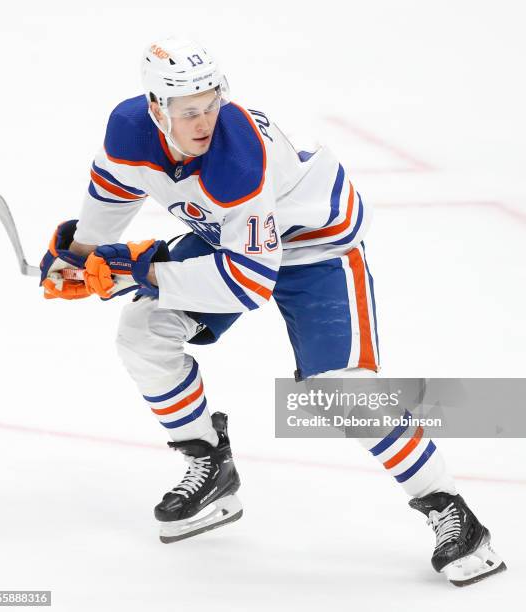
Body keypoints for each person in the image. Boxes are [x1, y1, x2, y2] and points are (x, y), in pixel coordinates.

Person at [39, 37, 505, 586]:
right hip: (234, 239)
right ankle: (210, 464)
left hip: (315, 247)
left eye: (211, 103)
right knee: (142, 332)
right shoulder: (129, 130)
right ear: (155, 109)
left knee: (341, 390)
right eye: (188, 110)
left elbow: (244, 284)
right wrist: (81, 257)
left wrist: (140, 270)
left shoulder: (236, 158)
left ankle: (451, 511)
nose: (203, 120)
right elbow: (113, 190)